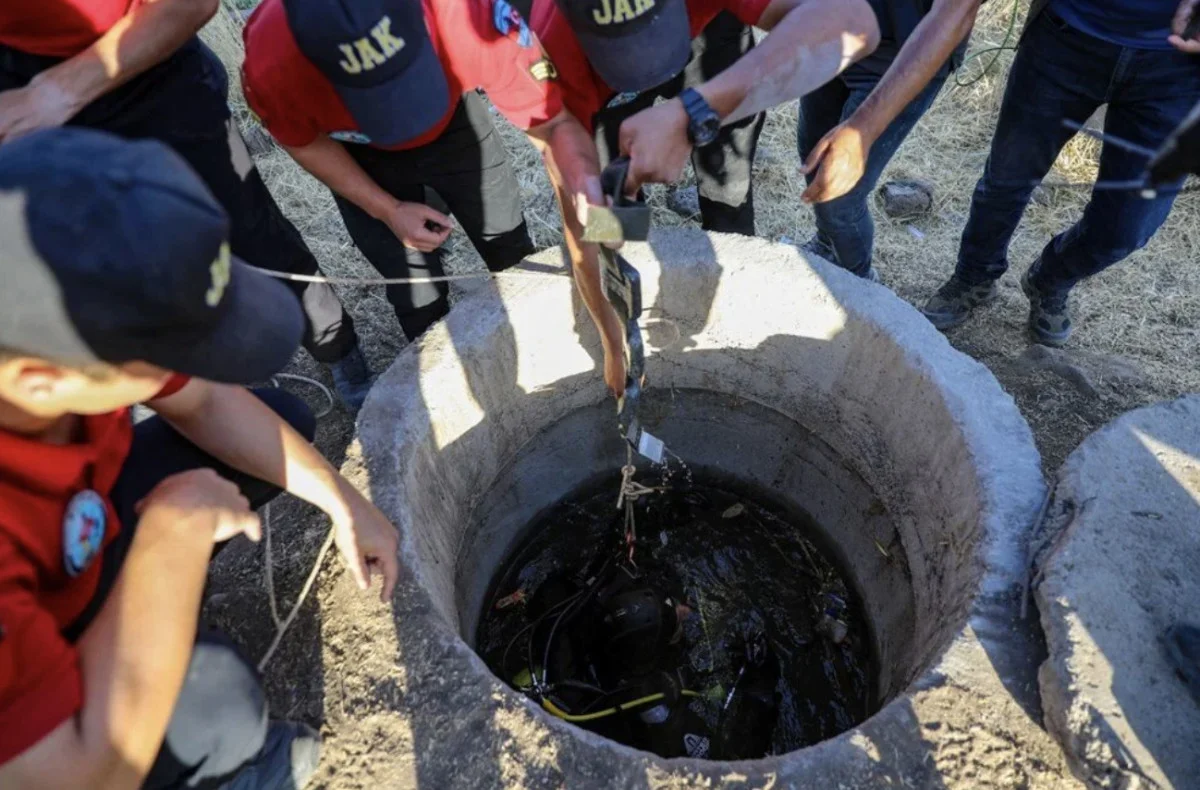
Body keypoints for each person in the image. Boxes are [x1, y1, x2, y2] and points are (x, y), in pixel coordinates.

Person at [0, 128, 400, 790]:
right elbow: (76, 779)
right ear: (46, 381)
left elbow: (208, 405)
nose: (189, 372)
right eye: (175, 351)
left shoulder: (48, 322)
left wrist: (343, 501)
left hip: (74, 527)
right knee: (220, 702)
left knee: (282, 425)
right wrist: (169, 539)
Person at [0, 0, 378, 411]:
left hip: (154, 76)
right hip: (25, 100)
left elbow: (189, 5)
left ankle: (337, 347)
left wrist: (57, 92)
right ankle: (222, 387)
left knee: (251, 231)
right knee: (131, 267)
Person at [532, 0, 880, 390]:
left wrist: (695, 112)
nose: (647, 66)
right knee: (610, 211)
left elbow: (855, 22)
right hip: (593, 74)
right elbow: (578, 226)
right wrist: (614, 342)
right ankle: (632, 297)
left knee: (727, 187)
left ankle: (731, 297)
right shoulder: (547, 50)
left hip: (710, 33)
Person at [241, 0, 603, 352]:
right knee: (417, 291)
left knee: (507, 241)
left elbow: (552, 126)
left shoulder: (467, 16)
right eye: (378, 100)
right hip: (359, 156)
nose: (401, 120)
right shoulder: (271, 63)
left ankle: (542, 339)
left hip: (455, 131)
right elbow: (305, 143)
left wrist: (591, 202)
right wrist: (386, 209)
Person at [921, 0, 1200, 345]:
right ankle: (974, 276)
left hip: (1179, 68)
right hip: (1067, 35)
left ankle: (1050, 279)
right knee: (1007, 178)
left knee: (1127, 226)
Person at [513, 554, 780, 760]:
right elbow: (730, 766)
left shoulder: (595, 636)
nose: (684, 612)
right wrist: (760, 688)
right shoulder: (656, 711)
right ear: (654, 651)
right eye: (673, 622)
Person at [794, 0, 982, 281]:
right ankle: (827, 244)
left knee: (841, 197)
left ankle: (858, 287)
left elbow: (953, 13)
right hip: (835, 32)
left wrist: (862, 129)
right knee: (813, 159)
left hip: (903, 57)